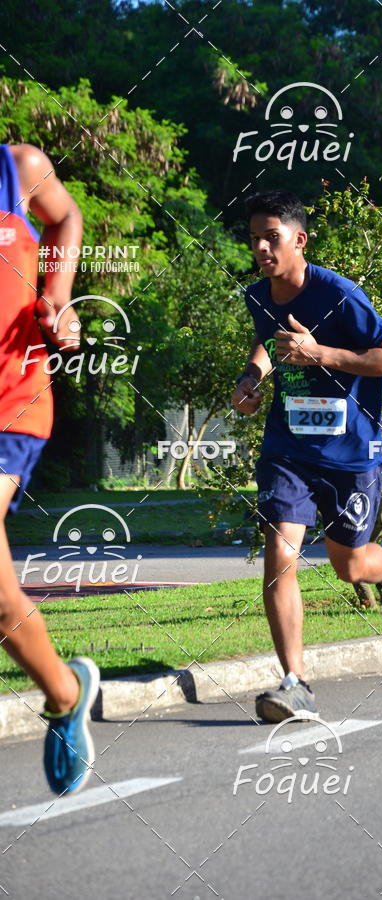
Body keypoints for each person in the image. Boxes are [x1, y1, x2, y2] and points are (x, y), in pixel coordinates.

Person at [232, 190, 382, 724]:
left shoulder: (340, 294)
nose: (262, 248)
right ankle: (296, 684)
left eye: (272, 237)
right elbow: (268, 341)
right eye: (254, 239)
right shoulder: (257, 294)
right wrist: (252, 379)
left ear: (299, 239)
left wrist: (321, 353)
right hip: (288, 448)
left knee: (348, 564)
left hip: (351, 451)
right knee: (280, 557)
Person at [0, 143, 99, 793]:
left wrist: (57, 296)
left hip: (12, 401)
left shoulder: (18, 168)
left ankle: (65, 696)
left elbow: (65, 221)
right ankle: (65, 691)